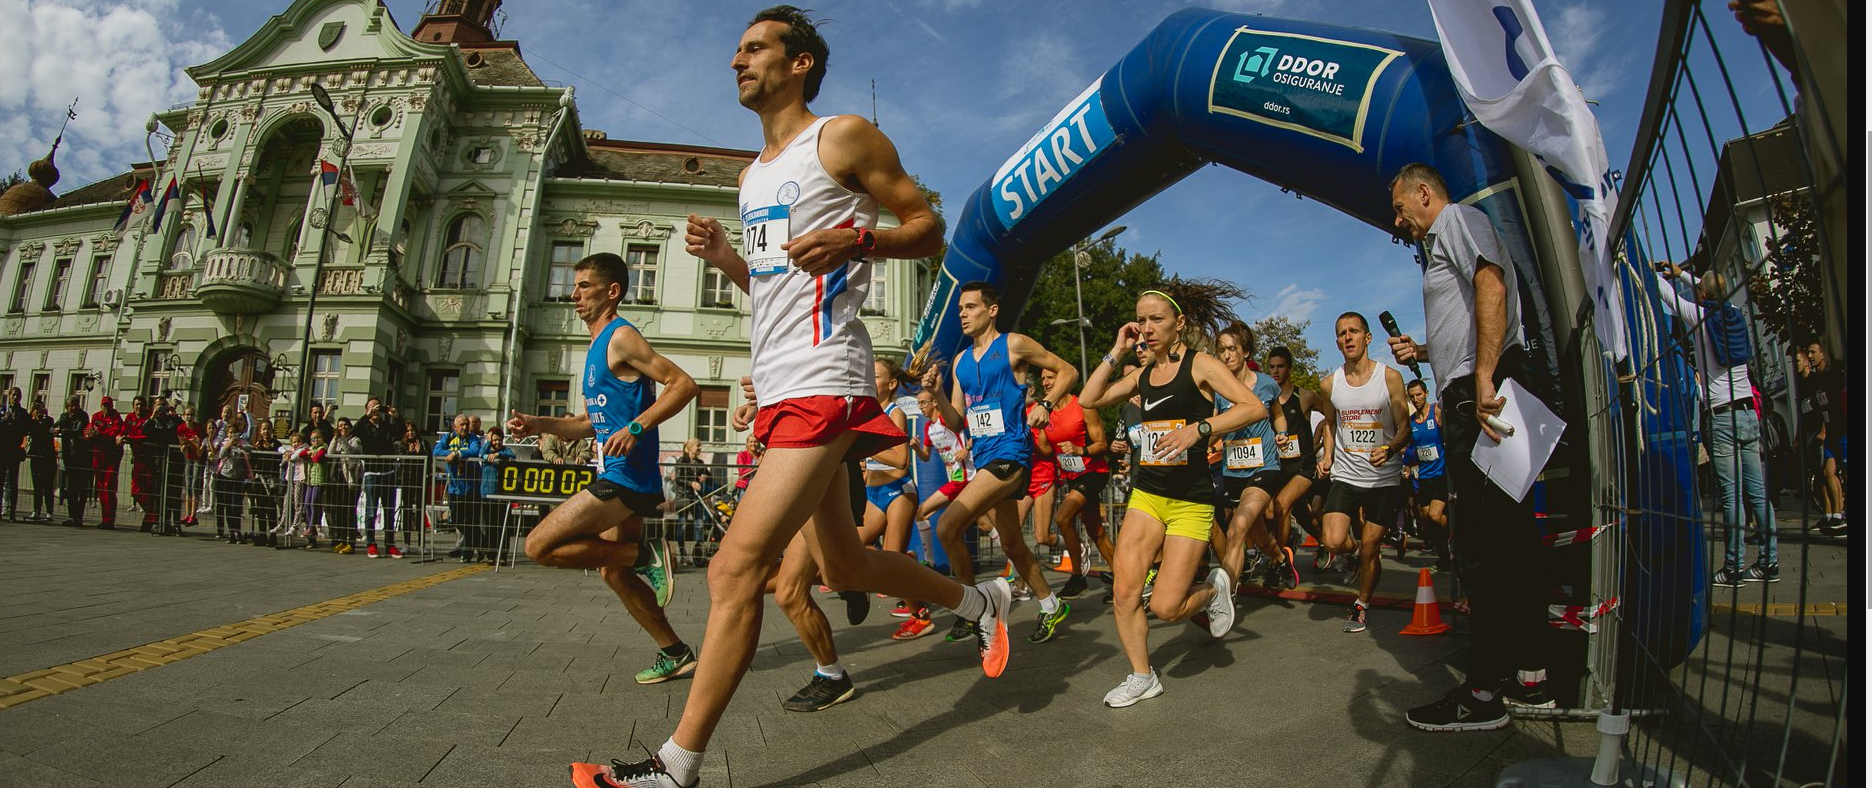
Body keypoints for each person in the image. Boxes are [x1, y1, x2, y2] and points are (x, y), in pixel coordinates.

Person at [599, 10, 1014, 785]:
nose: (737, 60)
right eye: (737, 49)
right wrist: (728, 260)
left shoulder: (842, 137)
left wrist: (858, 240)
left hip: (827, 375)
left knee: (733, 571)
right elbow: (772, 285)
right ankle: (980, 602)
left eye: (754, 48)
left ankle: (674, 767)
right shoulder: (751, 178)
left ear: (800, 64)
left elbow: (929, 229)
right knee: (846, 567)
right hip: (783, 381)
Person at [1388, 162, 1552, 731]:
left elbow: (1491, 285)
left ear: (1424, 193)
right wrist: (1425, 352)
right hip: (1473, 383)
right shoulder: (1444, 240)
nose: (1398, 221)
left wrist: (1482, 377)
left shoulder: (1456, 220)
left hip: (1476, 394)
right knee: (1508, 537)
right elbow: (1471, 314)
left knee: (1484, 544)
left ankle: (1484, 691)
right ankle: (1530, 674)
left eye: (1400, 208)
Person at [510, 251, 704, 689]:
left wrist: (637, 427)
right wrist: (539, 424)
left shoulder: (621, 337)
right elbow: (588, 424)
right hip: (618, 474)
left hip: (625, 477)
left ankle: (646, 555)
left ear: (611, 291)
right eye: (574, 286)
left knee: (538, 546)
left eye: (584, 286)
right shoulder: (598, 346)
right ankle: (675, 652)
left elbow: (684, 385)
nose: (573, 295)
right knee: (613, 572)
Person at [1079, 284, 1263, 707]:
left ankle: (1215, 589)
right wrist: (1117, 350)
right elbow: (1089, 398)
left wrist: (1199, 429)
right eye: (1141, 320)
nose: (1146, 328)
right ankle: (1142, 676)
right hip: (1148, 494)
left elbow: (1252, 407)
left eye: (1156, 319)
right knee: (1125, 592)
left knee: (1166, 606)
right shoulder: (1141, 375)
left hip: (1190, 501)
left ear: (1179, 323)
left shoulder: (1201, 364)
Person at [920, 281, 1079, 645]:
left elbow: (1068, 371)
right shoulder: (960, 362)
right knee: (1011, 544)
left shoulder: (1013, 344)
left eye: (971, 307)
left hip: (1011, 454)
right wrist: (938, 393)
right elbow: (956, 421)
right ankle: (1051, 605)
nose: (962, 314)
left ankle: (972, 609)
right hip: (985, 458)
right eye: (960, 309)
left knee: (947, 526)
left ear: (991, 311)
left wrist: (1046, 403)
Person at [1652, 261, 1778, 584]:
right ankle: (1770, 562)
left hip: (1723, 416)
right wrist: (1682, 274)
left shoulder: (1700, 316)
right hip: (1749, 413)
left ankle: (1734, 567)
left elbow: (1667, 296)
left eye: (1698, 289)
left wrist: (1647, 268)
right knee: (1758, 492)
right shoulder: (1733, 313)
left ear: (1703, 295)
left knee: (1731, 496)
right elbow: (1714, 289)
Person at [1314, 312, 1410, 634]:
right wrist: (1328, 456)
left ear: (1367, 338)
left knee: (1371, 548)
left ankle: (1362, 604)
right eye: (1342, 333)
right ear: (1337, 342)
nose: (1348, 337)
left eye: (1354, 331)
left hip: (1383, 477)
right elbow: (1330, 424)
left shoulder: (1390, 378)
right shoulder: (1330, 384)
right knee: (1332, 540)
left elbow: (1405, 428)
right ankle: (1352, 552)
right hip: (1346, 474)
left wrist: (1390, 449)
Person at [1211, 320, 1296, 591]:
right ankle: (1280, 558)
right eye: (1221, 350)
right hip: (1233, 471)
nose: (1227, 355)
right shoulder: (1219, 391)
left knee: (1236, 530)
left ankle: (1224, 597)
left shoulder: (1267, 384)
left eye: (1232, 349)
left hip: (1264, 467)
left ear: (1245, 352)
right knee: (1259, 537)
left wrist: (1282, 433)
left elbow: (1278, 416)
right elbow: (1213, 428)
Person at [1038, 366, 1117, 600]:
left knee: (1063, 518)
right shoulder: (1046, 412)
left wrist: (1079, 449)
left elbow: (1102, 444)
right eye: (1043, 379)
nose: (1045, 383)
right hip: (1073, 477)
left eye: (1050, 377)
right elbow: (1045, 449)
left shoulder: (1082, 405)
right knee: (1096, 531)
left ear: (1063, 379)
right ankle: (1123, 579)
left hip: (1094, 473)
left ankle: (1077, 577)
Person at [1265, 347, 1326, 566]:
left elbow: (1331, 416)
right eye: (1271, 367)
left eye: (1280, 366)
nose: (1275, 371)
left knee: (1281, 504)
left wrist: (1327, 449)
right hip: (1277, 466)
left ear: (1289, 368)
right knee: (1297, 516)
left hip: (1302, 467)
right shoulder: (1265, 400)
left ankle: (1279, 563)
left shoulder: (1305, 396)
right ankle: (1325, 542)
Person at [1797, 341, 1848, 536]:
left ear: (1823, 353)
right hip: (1830, 434)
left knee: (1845, 473)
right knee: (1827, 473)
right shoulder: (1815, 380)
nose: (1810, 356)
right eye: (1808, 353)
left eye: (1813, 352)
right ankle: (1837, 515)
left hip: (1842, 432)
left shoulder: (1833, 376)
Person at [1404, 380, 1453, 573]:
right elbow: (1411, 448)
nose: (1415, 399)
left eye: (1418, 394)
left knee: (1434, 516)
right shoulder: (1411, 422)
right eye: (1412, 396)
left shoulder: (1437, 412)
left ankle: (1452, 540)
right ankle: (1444, 557)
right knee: (1426, 520)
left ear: (1425, 393)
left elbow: (1449, 438)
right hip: (1424, 476)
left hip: (1440, 474)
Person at [354, 397, 407, 553]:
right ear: (367, 410)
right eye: (372, 408)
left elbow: (401, 432)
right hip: (371, 472)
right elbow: (354, 432)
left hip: (387, 472)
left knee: (389, 511)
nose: (375, 410)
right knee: (371, 511)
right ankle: (371, 543)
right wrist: (366, 416)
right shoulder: (364, 427)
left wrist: (396, 417)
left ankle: (390, 544)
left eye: (377, 407)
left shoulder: (386, 426)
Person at [432, 414, 482, 562]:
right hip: (454, 487)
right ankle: (481, 543)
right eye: (462, 424)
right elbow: (436, 451)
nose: (465, 427)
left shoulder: (473, 438)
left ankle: (467, 553)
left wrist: (458, 453)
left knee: (470, 521)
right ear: (455, 426)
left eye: (466, 424)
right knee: (457, 519)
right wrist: (450, 453)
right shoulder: (448, 438)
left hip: (471, 487)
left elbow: (475, 451)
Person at [143, 400, 184, 535]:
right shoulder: (152, 420)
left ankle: (173, 523)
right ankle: (158, 522)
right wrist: (152, 417)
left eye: (163, 405)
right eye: (158, 405)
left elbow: (181, 428)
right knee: (157, 493)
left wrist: (173, 412)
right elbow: (144, 431)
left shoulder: (171, 420)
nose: (161, 408)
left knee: (173, 494)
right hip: (157, 462)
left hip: (173, 462)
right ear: (154, 406)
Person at [670, 439, 713, 565]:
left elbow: (709, 475)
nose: (700, 448)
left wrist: (705, 477)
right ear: (689, 447)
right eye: (697, 445)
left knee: (699, 524)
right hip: (683, 497)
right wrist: (691, 483)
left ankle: (698, 554)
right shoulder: (681, 461)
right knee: (682, 525)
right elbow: (678, 479)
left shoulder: (700, 463)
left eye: (700, 445)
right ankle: (683, 555)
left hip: (696, 498)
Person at [89, 396, 127, 529]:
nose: (106, 408)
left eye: (108, 405)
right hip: (99, 456)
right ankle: (105, 519)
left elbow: (113, 433)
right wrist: (90, 434)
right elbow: (90, 429)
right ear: (101, 406)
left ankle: (109, 519)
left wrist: (99, 434)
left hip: (111, 457)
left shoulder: (116, 418)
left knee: (108, 488)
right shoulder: (96, 416)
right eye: (104, 405)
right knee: (101, 489)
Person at [327, 417, 362, 553]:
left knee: (349, 511)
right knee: (339, 511)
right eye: (340, 425)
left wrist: (342, 439)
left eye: (345, 425)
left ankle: (350, 542)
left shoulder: (355, 440)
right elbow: (330, 453)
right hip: (337, 480)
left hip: (350, 480)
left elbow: (351, 452)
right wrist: (335, 439)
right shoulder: (337, 439)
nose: (342, 428)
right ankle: (341, 539)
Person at [56, 397, 91, 527]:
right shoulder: (64, 416)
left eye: (75, 405)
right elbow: (53, 426)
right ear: (67, 407)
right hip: (68, 456)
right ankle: (72, 516)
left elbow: (78, 431)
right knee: (71, 488)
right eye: (71, 406)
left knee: (81, 488)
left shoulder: (83, 416)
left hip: (81, 456)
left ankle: (79, 517)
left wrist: (63, 431)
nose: (73, 408)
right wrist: (55, 429)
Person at [25, 402, 56, 522]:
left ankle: (49, 512)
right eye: (36, 409)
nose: (38, 411)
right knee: (37, 486)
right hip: (36, 456)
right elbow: (26, 426)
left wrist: (43, 417)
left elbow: (48, 428)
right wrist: (31, 414)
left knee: (48, 485)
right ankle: (36, 510)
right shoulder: (31, 422)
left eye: (40, 408)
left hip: (48, 457)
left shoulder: (49, 420)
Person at [0, 388, 26, 521]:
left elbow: (26, 429)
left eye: (18, 395)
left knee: (13, 481)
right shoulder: (2, 409)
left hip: (14, 449)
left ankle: (12, 512)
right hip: (2, 448)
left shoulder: (22, 412)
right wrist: (4, 419)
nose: (15, 397)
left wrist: (17, 422)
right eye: (13, 395)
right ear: (9, 396)